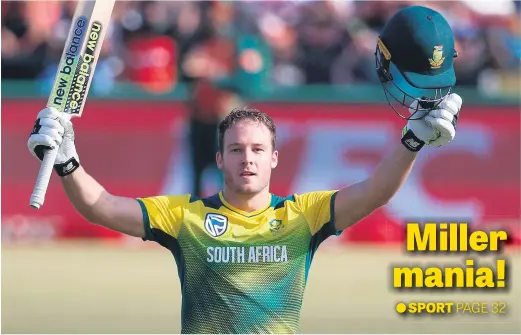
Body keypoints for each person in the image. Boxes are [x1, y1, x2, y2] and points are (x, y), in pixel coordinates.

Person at [27, 5, 461, 334]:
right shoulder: (186, 218)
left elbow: (376, 191)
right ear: (220, 160)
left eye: (257, 149)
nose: (247, 158)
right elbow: (101, 207)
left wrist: (413, 140)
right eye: (235, 150)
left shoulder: (302, 216)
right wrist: (67, 160)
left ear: (274, 158)